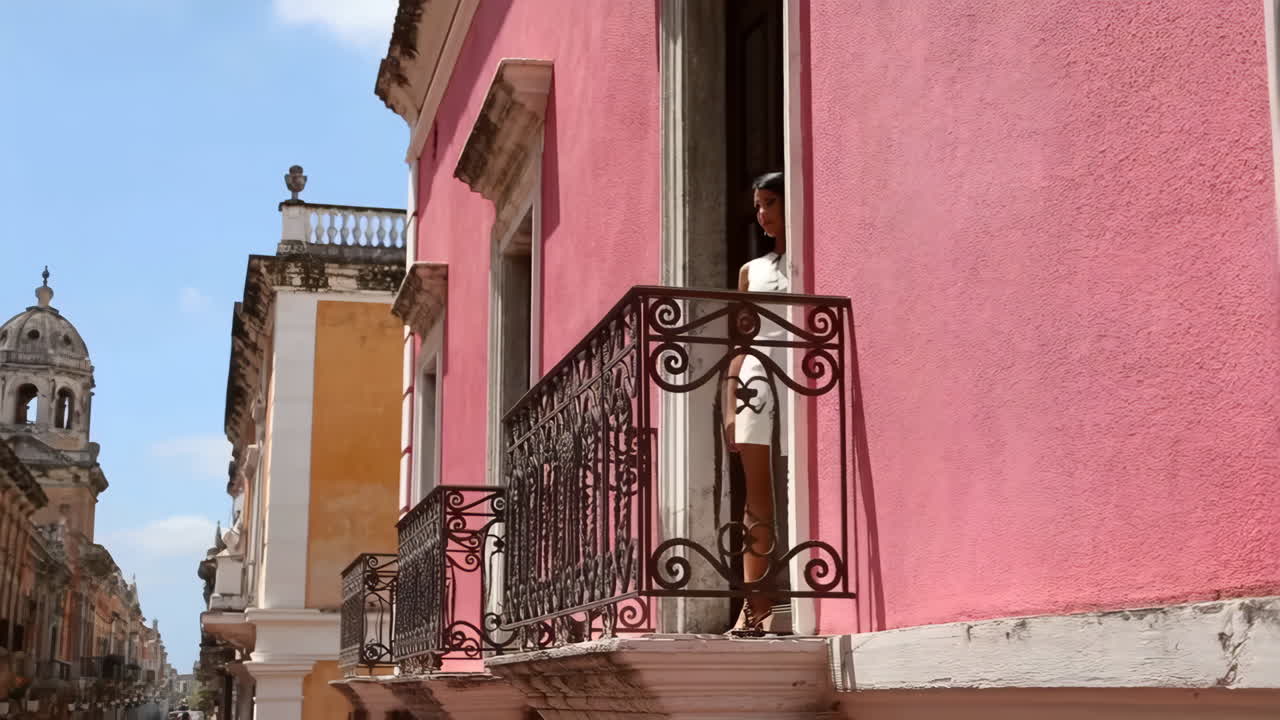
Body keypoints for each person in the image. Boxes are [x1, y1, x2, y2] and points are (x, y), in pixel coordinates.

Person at [723, 171, 789, 633]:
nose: (762, 214)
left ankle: (789, 600)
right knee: (757, 495)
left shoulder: (812, 255)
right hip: (756, 379)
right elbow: (741, 341)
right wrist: (729, 404)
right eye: (758, 205)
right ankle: (755, 606)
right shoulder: (753, 269)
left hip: (804, 372)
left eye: (770, 203)